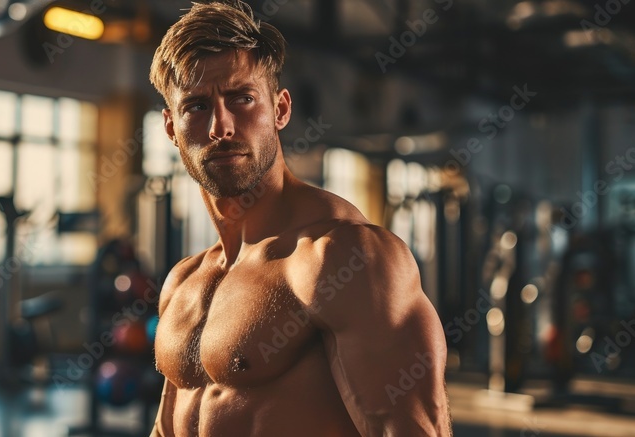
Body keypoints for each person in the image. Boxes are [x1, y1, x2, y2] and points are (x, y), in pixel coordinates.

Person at [148, 1, 451, 435]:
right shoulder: (183, 282)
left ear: (281, 109)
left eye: (242, 98)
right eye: (196, 107)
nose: (221, 126)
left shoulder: (342, 258)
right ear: (171, 128)